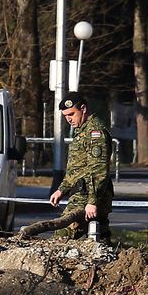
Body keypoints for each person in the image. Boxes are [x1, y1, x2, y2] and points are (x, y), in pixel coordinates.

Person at [48, 92, 113, 241]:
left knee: (62, 236)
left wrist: (92, 201)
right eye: (65, 116)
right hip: (82, 194)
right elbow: (77, 168)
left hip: (88, 195)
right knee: (95, 238)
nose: (68, 119)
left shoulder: (95, 132)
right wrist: (61, 190)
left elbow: (98, 170)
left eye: (71, 114)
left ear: (83, 108)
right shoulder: (82, 131)